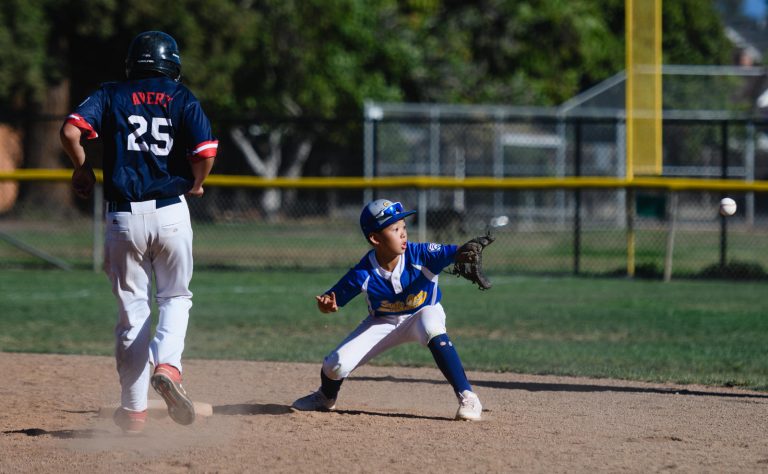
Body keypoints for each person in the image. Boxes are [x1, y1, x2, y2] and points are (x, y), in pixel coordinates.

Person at [59, 31, 217, 435]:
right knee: (175, 296)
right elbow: (205, 152)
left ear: (132, 64)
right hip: (170, 213)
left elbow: (70, 130)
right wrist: (197, 183)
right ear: (173, 64)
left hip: (123, 217)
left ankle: (133, 413)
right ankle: (168, 365)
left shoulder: (111, 93)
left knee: (133, 313)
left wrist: (81, 168)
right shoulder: (183, 98)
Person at [292, 199, 483, 421]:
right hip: (382, 322)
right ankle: (325, 396)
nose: (403, 234)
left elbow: (454, 252)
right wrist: (325, 305)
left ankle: (468, 396)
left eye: (403, 227)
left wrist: (466, 251)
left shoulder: (421, 254)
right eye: (394, 229)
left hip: (421, 314)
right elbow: (330, 300)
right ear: (375, 238)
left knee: (432, 325)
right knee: (335, 365)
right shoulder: (363, 272)